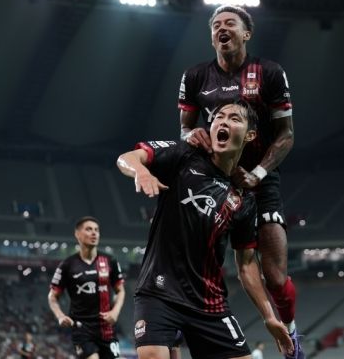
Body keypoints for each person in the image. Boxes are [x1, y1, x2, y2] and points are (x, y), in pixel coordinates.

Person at [117, 101, 294, 359]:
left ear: (249, 135)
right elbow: (127, 158)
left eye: (234, 118)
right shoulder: (184, 156)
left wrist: (269, 316)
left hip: (209, 304)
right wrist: (141, 172)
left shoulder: (243, 201)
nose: (223, 121)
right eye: (219, 117)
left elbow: (246, 264)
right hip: (158, 293)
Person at [178, 5, 302, 358]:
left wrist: (259, 173)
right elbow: (186, 128)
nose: (222, 28)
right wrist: (192, 136)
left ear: (246, 33)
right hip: (216, 181)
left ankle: (292, 337)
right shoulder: (195, 76)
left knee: (275, 277)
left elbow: (286, 135)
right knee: (202, 268)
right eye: (215, 24)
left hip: (260, 181)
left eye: (230, 23)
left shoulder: (269, 73)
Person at [48, 217, 126, 359]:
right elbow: (52, 296)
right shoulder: (67, 265)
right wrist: (60, 316)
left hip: (107, 329)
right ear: (77, 234)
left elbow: (120, 290)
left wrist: (115, 312)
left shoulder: (110, 261)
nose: (94, 233)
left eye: (96, 230)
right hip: (82, 328)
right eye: (89, 229)